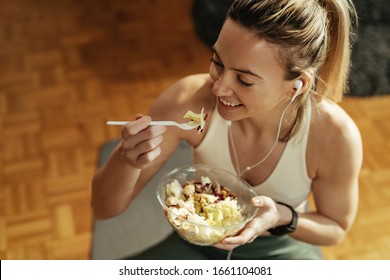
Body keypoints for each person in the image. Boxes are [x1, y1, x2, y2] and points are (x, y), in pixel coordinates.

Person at [91, 0, 362, 260]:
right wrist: (126, 161)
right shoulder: (187, 100)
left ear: (297, 85)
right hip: (197, 244)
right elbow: (104, 209)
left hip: (277, 248)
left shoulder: (334, 136)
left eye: (244, 80)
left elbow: (335, 228)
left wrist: (281, 216)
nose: (218, 88)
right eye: (218, 62)